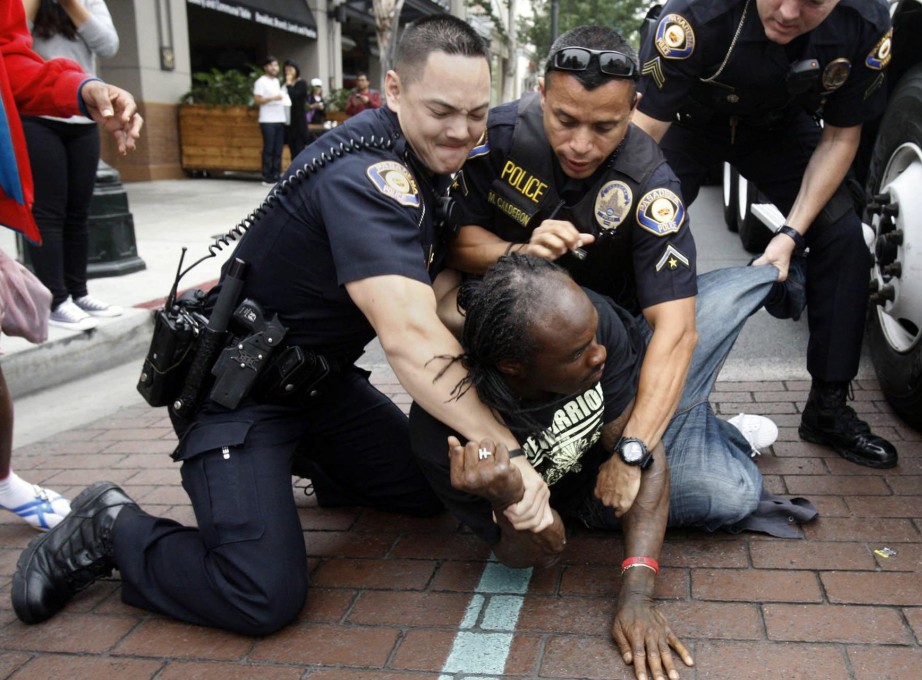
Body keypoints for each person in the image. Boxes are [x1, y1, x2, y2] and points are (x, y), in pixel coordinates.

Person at [12, 15, 555, 637]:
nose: (462, 132)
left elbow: (433, 296)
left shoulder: (423, 160)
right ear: (395, 90)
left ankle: (310, 467)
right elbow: (409, 335)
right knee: (260, 594)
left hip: (316, 387)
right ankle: (111, 528)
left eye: (477, 113)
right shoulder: (370, 176)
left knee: (431, 487)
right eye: (443, 110)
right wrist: (508, 451)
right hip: (238, 398)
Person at [412, 255, 815, 679]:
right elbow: (543, 552)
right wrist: (506, 496)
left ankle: (694, 417)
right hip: (589, 500)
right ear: (514, 366)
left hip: (621, 449)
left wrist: (637, 594)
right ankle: (713, 432)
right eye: (577, 353)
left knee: (723, 300)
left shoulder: (593, 322)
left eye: (593, 336)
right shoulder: (446, 437)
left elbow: (643, 455)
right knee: (733, 495)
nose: (598, 352)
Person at [447, 26, 782, 530]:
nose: (581, 144)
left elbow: (677, 331)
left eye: (605, 126)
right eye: (564, 120)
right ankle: (688, 425)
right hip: (526, 357)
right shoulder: (496, 138)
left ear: (633, 109)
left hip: (615, 356)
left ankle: (695, 430)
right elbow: (453, 243)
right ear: (540, 94)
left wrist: (632, 453)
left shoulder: (652, 185)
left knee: (723, 495)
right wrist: (520, 249)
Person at [630, 0, 897, 468]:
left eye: (813, 1)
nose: (790, 12)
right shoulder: (695, 15)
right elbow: (644, 133)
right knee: (638, 226)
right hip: (688, 123)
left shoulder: (866, 23)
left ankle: (828, 409)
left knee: (845, 239)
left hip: (780, 128)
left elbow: (840, 137)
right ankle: (614, 389)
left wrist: (791, 234)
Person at [0, 0, 141, 529]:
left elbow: (9, 58)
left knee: (74, 213)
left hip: (63, 113)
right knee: (54, 215)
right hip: (39, 127)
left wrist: (82, 89)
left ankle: (3, 481)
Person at [20, 0, 121, 331]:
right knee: (48, 212)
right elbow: (14, 40)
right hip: (38, 117)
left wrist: (72, 5)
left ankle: (79, 292)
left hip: (82, 112)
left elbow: (108, 45)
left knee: (79, 212)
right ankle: (55, 298)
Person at [253, 55, 286, 185]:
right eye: (272, 65)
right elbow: (257, 100)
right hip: (267, 120)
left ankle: (276, 174)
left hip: (279, 118)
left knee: (278, 149)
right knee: (269, 148)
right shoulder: (260, 82)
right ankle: (266, 176)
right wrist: (273, 98)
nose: (275, 68)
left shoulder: (277, 82)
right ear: (265, 67)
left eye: (276, 65)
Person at [282, 59, 308, 159]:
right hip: (287, 121)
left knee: (299, 150)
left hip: (298, 122)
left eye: (291, 69)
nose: (288, 72)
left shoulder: (301, 83)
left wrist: (289, 84)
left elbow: (294, 96)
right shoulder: (283, 85)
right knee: (291, 149)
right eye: (286, 70)